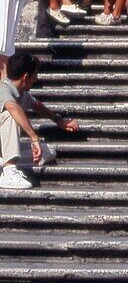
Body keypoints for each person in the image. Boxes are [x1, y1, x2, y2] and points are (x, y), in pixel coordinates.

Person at [0, 52, 78, 191]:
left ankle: (4, 161)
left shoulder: (22, 93)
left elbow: (36, 105)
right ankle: (9, 171)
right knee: (11, 115)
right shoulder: (3, 89)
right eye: (35, 75)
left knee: (48, 152)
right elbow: (12, 107)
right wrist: (34, 138)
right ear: (25, 77)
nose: (36, 79)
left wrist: (59, 120)